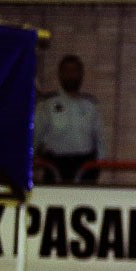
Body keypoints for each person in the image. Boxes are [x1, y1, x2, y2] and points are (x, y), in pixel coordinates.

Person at [33, 54, 104, 183]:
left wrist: (99, 164)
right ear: (60, 74)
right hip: (55, 166)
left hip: (85, 166)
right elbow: (36, 135)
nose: (71, 75)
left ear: (81, 74)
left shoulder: (90, 105)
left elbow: (99, 139)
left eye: (75, 71)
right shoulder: (47, 105)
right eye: (67, 71)